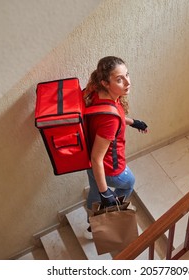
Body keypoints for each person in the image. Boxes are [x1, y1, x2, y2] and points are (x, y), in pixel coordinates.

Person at [83, 56, 148, 239]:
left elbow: (109, 115)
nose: (128, 82)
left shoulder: (96, 92)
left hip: (89, 162)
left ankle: (93, 221)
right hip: (109, 166)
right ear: (105, 82)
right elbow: (99, 156)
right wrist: (106, 194)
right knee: (129, 182)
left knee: (94, 190)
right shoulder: (110, 120)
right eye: (120, 79)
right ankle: (108, 211)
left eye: (127, 75)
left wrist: (133, 122)